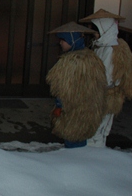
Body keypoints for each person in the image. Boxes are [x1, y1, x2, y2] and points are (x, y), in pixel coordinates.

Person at [80, 9, 132, 147]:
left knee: (99, 131)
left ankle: (98, 160)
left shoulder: (112, 50)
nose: (94, 35)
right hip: (98, 94)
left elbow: (106, 77)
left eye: (96, 31)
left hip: (106, 96)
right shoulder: (101, 46)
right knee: (92, 129)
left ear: (104, 29)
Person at [46, 21, 107, 149]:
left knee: (73, 141)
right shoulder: (92, 58)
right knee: (80, 140)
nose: (60, 43)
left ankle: (73, 166)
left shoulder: (71, 62)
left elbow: (64, 89)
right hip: (88, 111)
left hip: (73, 112)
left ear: (72, 40)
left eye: (63, 40)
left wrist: (59, 106)